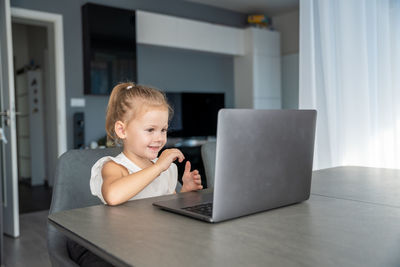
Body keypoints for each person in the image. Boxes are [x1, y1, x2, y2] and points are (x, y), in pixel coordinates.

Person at [67, 82, 202, 266]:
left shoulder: (166, 169)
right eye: (150, 130)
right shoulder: (114, 167)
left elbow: (170, 205)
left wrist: (185, 191)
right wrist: (157, 167)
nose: (159, 138)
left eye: (163, 130)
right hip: (116, 242)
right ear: (122, 130)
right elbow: (113, 196)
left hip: (150, 240)